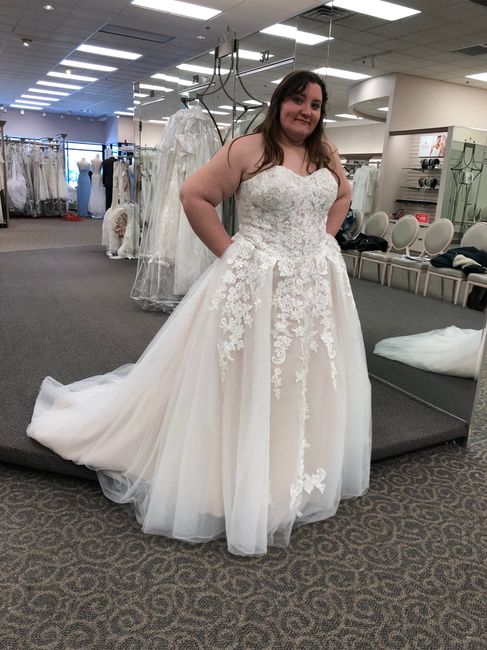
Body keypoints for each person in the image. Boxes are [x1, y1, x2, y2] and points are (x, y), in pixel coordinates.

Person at [27, 70, 371, 556]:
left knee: (304, 368)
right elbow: (194, 195)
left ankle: (291, 462)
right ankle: (235, 467)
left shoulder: (325, 154)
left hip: (313, 282)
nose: (306, 112)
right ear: (279, 103)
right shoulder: (250, 149)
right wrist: (231, 252)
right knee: (249, 370)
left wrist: (324, 239)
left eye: (315, 104)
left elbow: (343, 195)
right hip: (256, 279)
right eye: (298, 100)